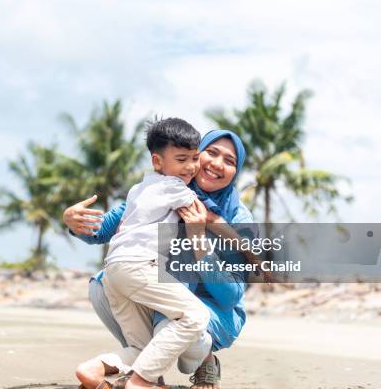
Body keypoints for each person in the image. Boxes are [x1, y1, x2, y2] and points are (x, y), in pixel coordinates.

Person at [65, 129, 254, 389]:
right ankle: (143, 375)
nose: (217, 164)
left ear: (237, 171)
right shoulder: (164, 189)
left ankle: (203, 362)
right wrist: (75, 223)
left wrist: (199, 239)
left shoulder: (239, 218)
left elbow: (230, 296)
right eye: (210, 153)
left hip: (215, 310)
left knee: (183, 319)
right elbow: (104, 229)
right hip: (162, 292)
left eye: (230, 161)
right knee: (102, 285)